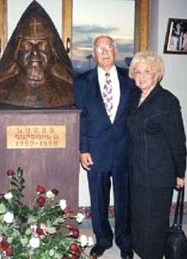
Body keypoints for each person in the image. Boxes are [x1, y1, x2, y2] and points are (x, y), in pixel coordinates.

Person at [74, 35, 134, 259]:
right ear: (94, 52)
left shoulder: (130, 80)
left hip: (124, 150)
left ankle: (125, 241)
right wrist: (83, 149)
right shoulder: (81, 82)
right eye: (100, 48)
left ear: (115, 50)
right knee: (98, 200)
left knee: (124, 199)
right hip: (95, 151)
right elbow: (80, 118)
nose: (105, 51)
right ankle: (103, 239)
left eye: (109, 47)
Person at [127, 51, 187, 259]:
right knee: (140, 219)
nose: (141, 76)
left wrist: (180, 172)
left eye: (147, 71)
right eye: (137, 71)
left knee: (154, 223)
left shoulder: (167, 101)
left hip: (157, 174)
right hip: (136, 172)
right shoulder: (135, 97)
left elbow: (178, 140)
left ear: (157, 74)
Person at [0, 1, 74, 108]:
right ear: (16, 52)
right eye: (27, 46)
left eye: (42, 45)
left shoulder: (70, 91)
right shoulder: (0, 90)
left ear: (54, 52)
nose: (35, 53)